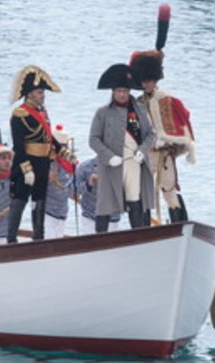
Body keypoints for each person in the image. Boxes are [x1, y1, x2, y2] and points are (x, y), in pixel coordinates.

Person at [130, 49, 196, 223]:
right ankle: (143, 229)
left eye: (149, 81)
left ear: (155, 80)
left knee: (169, 190)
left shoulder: (167, 99)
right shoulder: (138, 103)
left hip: (164, 155)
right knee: (145, 193)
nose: (146, 85)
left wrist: (168, 142)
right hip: (146, 154)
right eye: (144, 81)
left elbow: (179, 126)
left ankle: (179, 224)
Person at [88, 63, 156, 231]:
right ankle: (100, 241)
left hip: (133, 161)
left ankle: (138, 238)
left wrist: (142, 150)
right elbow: (93, 139)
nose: (122, 94)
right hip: (111, 164)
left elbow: (151, 134)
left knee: (136, 201)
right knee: (104, 205)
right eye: (119, 91)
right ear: (113, 92)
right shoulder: (102, 112)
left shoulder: (139, 110)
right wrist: (109, 157)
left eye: (125, 91)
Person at [8, 65, 62, 242]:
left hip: (42, 162)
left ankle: (39, 236)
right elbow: (18, 145)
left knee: (39, 199)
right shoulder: (20, 114)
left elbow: (48, 136)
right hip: (27, 162)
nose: (43, 95)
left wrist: (64, 152)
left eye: (42, 92)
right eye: (39, 92)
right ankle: (11, 237)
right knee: (20, 199)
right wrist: (26, 169)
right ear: (30, 93)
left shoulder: (42, 112)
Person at [43, 125, 79, 238]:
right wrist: (47, 178)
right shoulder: (46, 163)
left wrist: (81, 201)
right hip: (47, 211)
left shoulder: (71, 166)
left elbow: (69, 189)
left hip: (62, 211)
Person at [75, 155, 121, 234]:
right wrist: (88, 184)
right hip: (90, 218)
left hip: (113, 219)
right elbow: (73, 190)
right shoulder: (85, 167)